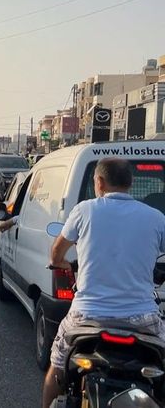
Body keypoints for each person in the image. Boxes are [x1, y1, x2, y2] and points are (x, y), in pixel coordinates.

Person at [41, 158, 165, 408]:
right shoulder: (155, 217)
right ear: (130, 183)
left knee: (56, 365)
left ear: (99, 182)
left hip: (87, 315)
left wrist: (66, 265)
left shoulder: (84, 210)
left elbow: (56, 254)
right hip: (142, 318)